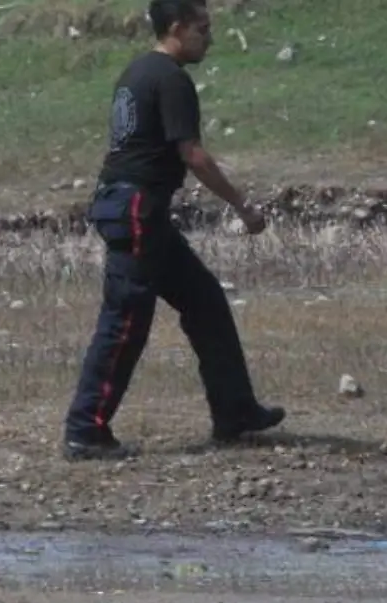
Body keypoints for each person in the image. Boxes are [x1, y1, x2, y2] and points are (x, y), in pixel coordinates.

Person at [62, 0, 285, 462]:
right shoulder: (171, 79)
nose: (210, 38)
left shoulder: (137, 72)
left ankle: (235, 411)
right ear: (178, 27)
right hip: (137, 208)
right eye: (203, 29)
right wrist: (244, 208)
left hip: (133, 208)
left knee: (204, 301)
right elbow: (194, 155)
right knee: (125, 321)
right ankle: (86, 429)